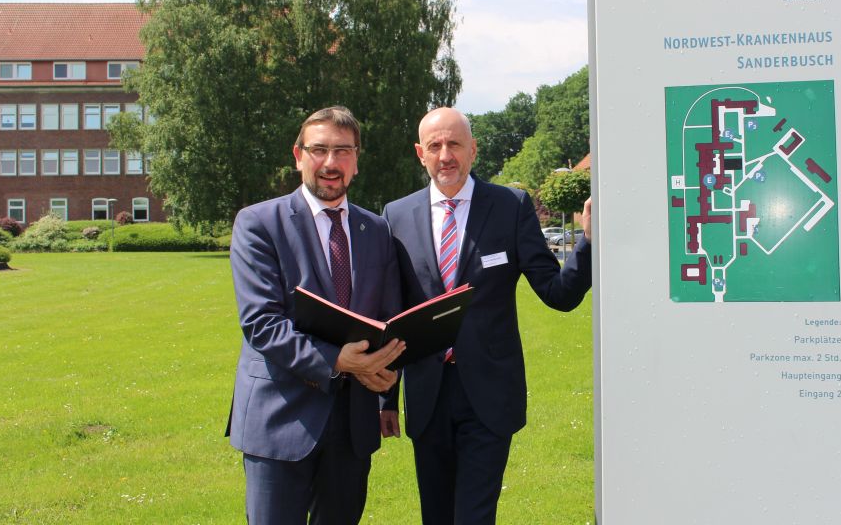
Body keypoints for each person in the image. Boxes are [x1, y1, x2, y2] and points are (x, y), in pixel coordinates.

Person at [382, 107, 593, 525]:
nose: (446, 155)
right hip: (427, 396)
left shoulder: (509, 207)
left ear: (473, 150)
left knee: (475, 517)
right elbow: (391, 312)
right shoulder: (395, 215)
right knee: (436, 516)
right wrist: (387, 397)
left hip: (489, 395)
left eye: (455, 144)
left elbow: (558, 293)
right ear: (419, 153)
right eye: (435, 146)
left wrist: (587, 241)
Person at [226, 105, 406, 524]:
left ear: (356, 160)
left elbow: (388, 318)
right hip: (279, 418)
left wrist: (388, 380)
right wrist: (338, 360)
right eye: (319, 150)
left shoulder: (376, 230)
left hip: (353, 425)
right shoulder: (259, 223)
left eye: (343, 151)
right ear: (298, 155)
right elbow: (261, 323)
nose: (330, 163)